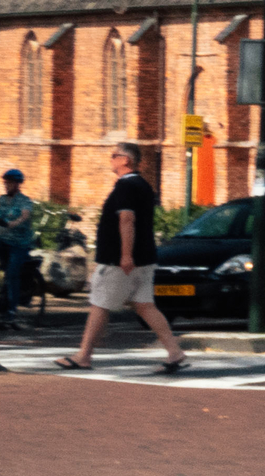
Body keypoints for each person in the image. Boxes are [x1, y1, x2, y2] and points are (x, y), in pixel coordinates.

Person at [56, 141, 187, 373]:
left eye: (114, 156)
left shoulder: (125, 187)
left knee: (99, 304)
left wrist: (125, 255)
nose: (111, 159)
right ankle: (175, 352)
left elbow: (126, 219)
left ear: (125, 160)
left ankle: (84, 356)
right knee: (145, 306)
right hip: (145, 257)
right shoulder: (144, 186)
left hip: (119, 260)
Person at [0, 168, 41, 326]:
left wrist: (12, 223)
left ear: (17, 184)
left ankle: (12, 310)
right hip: (3, 240)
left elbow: (25, 215)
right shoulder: (0, 200)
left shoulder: (24, 201)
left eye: (9, 182)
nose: (6, 185)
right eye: (5, 182)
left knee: (12, 274)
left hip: (19, 244)